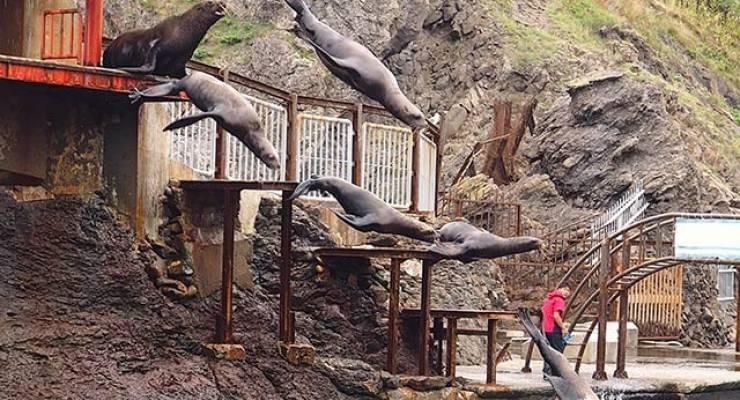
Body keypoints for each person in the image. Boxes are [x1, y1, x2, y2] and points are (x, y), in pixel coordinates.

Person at [541, 285, 571, 378]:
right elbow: (556, 315)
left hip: (546, 329)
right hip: (554, 329)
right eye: (565, 289)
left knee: (548, 351)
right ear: (559, 289)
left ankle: (547, 373)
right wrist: (563, 327)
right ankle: (556, 374)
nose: (567, 292)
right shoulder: (559, 300)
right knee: (557, 352)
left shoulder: (549, 299)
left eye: (569, 291)